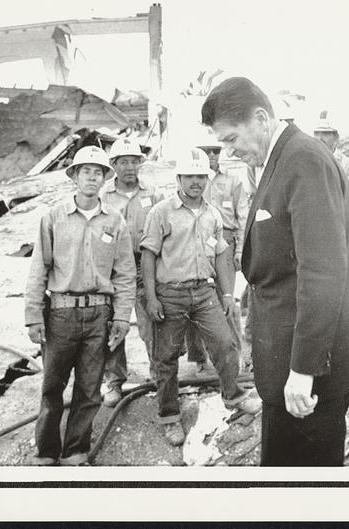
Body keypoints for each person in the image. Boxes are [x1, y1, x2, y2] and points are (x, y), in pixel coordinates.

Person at [202, 77, 349, 466]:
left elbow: (323, 273)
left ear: (261, 118)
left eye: (230, 139)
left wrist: (304, 370)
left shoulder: (303, 160)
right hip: (289, 363)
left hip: (310, 374)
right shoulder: (281, 160)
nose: (228, 151)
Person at [140, 148, 261, 447]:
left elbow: (220, 254)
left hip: (204, 291)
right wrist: (152, 298)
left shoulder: (212, 214)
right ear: (179, 178)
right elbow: (148, 256)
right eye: (190, 176)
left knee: (225, 344)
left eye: (201, 176)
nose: (196, 182)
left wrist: (227, 293)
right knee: (166, 359)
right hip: (170, 293)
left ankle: (233, 396)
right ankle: (170, 416)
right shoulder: (161, 212)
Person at [25, 145, 136, 466]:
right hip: (60, 313)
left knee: (89, 391)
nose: (91, 177)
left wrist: (122, 318)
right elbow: (38, 269)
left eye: (97, 172)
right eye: (85, 171)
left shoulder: (114, 220)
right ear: (74, 176)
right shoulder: (54, 218)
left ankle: (75, 451)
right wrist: (33, 316)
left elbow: (125, 273)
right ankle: (46, 451)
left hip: (99, 314)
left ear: (104, 178)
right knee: (52, 387)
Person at [99, 137, 164, 406]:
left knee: (151, 323)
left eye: (134, 161)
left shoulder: (154, 193)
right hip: (112, 267)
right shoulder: (102, 197)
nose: (129, 167)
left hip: (144, 264)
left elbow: (164, 231)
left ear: (140, 164)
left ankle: (159, 376)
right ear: (113, 165)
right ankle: (114, 382)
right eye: (123, 161)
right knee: (113, 323)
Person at [185, 130, 249, 376]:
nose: (212, 155)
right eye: (207, 150)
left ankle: (237, 356)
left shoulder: (233, 181)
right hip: (197, 243)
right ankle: (199, 358)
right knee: (194, 297)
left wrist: (240, 250)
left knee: (228, 299)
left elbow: (243, 216)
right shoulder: (190, 179)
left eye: (216, 150)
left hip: (225, 243)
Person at [311, 112, 349, 190]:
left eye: (325, 133)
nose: (320, 138)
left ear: (336, 138)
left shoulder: (347, 167)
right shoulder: (309, 163)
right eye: (316, 133)